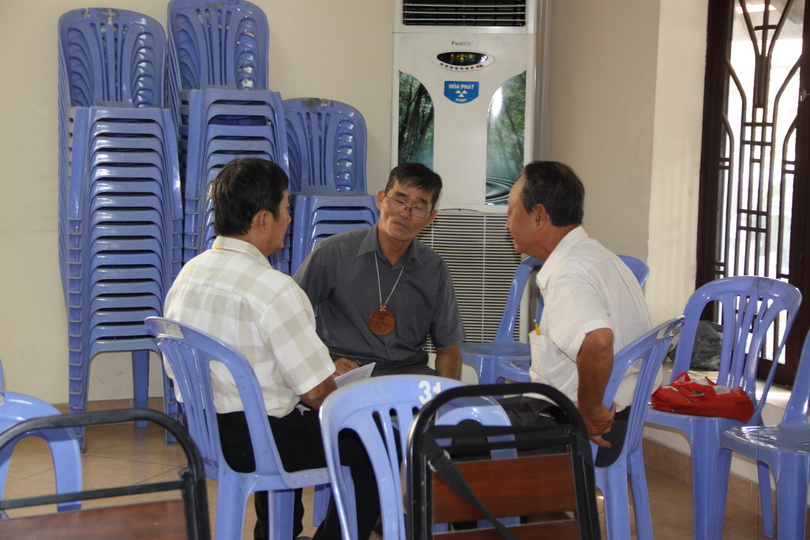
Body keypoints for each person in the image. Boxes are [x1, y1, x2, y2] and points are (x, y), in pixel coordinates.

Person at [164, 158, 379, 540]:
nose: (289, 219)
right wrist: (333, 382)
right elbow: (316, 394)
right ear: (264, 219)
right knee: (373, 441)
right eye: (286, 208)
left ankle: (276, 532)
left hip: (203, 432)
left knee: (276, 405)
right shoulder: (274, 289)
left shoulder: (188, 275)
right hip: (262, 444)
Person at [505, 161, 654, 465]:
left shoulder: (569, 272)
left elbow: (597, 340)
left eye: (510, 213)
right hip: (617, 420)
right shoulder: (599, 257)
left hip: (581, 427)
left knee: (451, 437)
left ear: (539, 215)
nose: (507, 225)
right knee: (470, 417)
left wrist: (590, 412)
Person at [293, 163, 465, 379]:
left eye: (418, 207)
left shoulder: (434, 268)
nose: (406, 213)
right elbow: (290, 318)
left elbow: (448, 347)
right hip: (346, 370)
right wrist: (322, 364)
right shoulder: (332, 252)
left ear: (431, 218)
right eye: (400, 201)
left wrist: (447, 395)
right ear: (381, 199)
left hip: (407, 372)